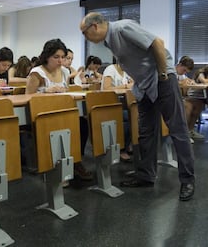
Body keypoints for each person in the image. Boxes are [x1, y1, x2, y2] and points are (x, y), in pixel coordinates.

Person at [80, 12, 195, 201]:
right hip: (143, 86)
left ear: (94, 27)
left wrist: (163, 75)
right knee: (146, 132)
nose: (86, 38)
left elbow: (157, 43)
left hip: (161, 79)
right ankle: (146, 176)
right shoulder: (109, 41)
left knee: (177, 129)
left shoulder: (123, 28)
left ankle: (188, 180)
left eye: (84, 33)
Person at [26, 38, 93, 180]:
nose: (60, 60)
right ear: (46, 57)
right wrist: (45, 91)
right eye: (56, 57)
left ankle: (76, 160)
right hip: (43, 113)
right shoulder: (37, 72)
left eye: (63, 57)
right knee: (62, 127)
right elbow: (28, 97)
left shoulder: (64, 71)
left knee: (82, 124)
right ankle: (57, 166)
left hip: (61, 109)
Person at [101, 56, 134, 161]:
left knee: (134, 114)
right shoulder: (110, 69)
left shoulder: (126, 72)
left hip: (122, 103)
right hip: (108, 104)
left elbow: (133, 84)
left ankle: (128, 143)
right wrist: (125, 86)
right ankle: (122, 148)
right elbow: (106, 89)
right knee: (126, 117)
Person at [184, 66, 208, 142]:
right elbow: (205, 82)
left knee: (195, 115)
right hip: (192, 96)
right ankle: (186, 134)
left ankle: (191, 131)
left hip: (201, 98)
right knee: (188, 116)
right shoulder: (201, 74)